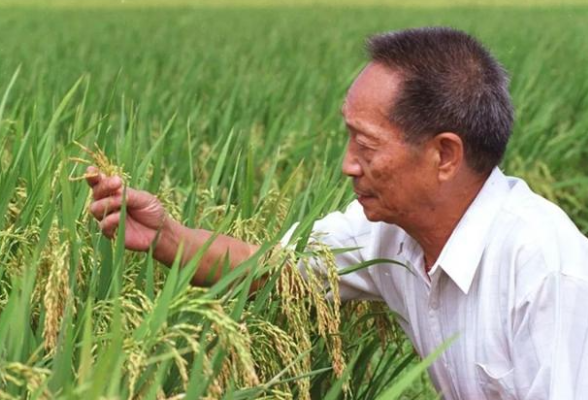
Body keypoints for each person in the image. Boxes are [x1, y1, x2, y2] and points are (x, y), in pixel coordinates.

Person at [86, 27, 588, 399]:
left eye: (366, 145)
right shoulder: (389, 236)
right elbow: (272, 271)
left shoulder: (547, 270)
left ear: (444, 155)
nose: (348, 165)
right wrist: (167, 236)